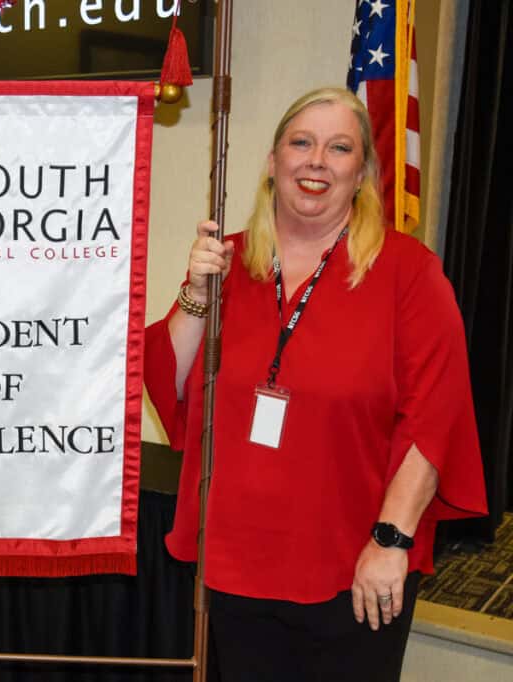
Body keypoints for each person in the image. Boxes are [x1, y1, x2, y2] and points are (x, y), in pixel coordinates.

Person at [144, 87, 487, 682]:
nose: (316, 161)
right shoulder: (227, 262)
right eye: (301, 143)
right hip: (234, 562)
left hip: (353, 566)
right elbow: (170, 386)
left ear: (362, 173)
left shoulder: (409, 274)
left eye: (339, 148)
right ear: (273, 162)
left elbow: (435, 419)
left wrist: (390, 540)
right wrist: (195, 297)